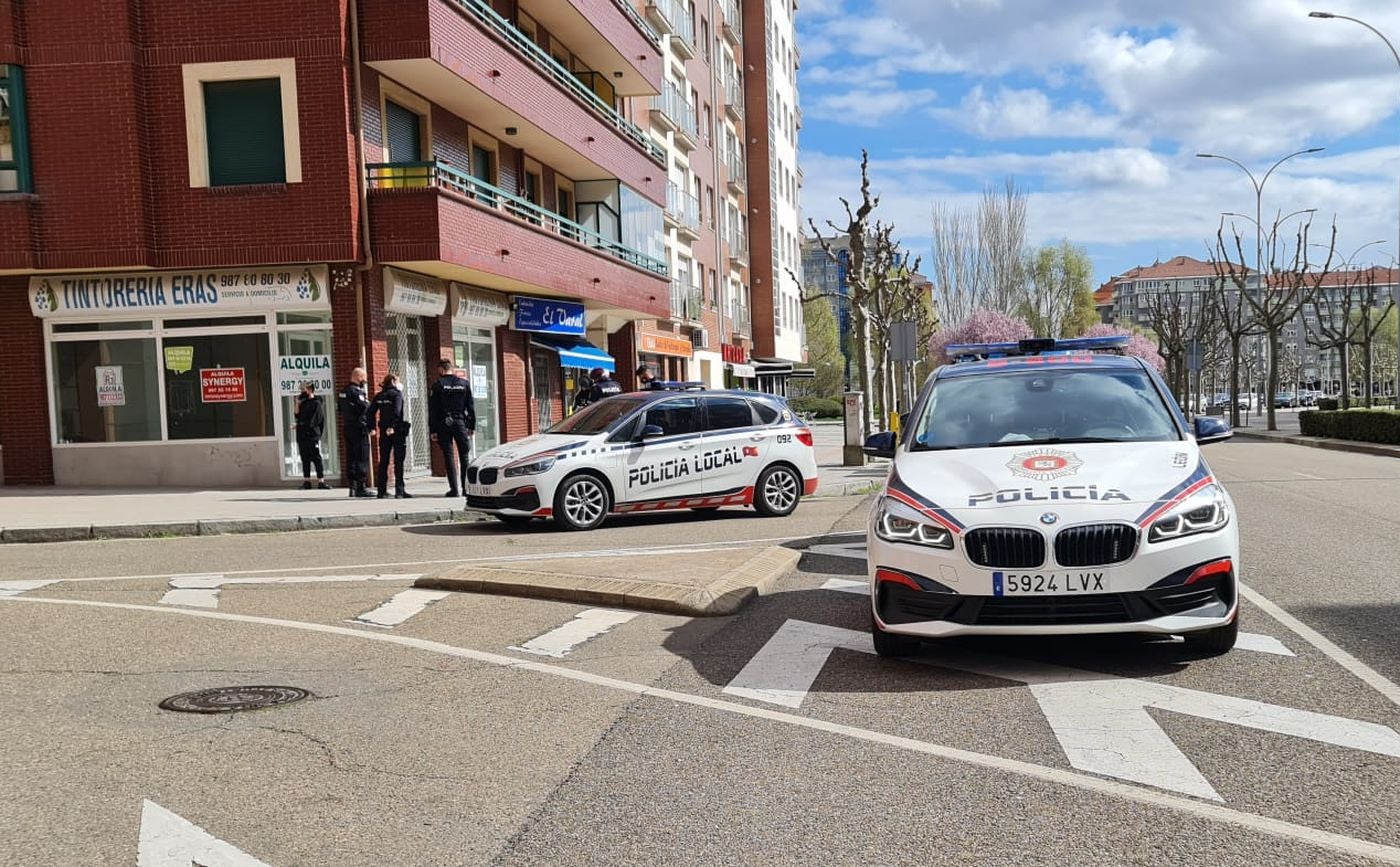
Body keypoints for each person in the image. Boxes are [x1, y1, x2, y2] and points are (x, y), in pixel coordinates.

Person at [428, 358, 475, 498]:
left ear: (441, 370)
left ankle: (454, 489)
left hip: (444, 423)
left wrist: (433, 430)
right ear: (451, 368)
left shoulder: (437, 385)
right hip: (460, 422)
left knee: (449, 456)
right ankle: (466, 489)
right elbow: (470, 407)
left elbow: (433, 410)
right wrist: (471, 426)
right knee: (464, 455)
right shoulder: (464, 384)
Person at [368, 374, 413, 499]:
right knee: (399, 461)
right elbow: (397, 411)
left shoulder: (379, 396)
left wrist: (372, 427)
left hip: (383, 431)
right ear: (393, 381)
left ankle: (381, 491)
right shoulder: (396, 395)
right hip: (396, 431)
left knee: (384, 461)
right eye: (398, 380)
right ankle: (400, 491)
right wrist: (393, 426)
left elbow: (370, 412)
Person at [339, 367, 374, 498]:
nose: (365, 380)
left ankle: (352, 487)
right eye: (364, 378)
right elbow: (364, 407)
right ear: (358, 377)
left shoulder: (343, 391)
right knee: (361, 457)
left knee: (351, 457)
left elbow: (340, 409)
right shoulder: (357, 392)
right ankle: (361, 487)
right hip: (359, 428)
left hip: (348, 427)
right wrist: (366, 401)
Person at [293, 382, 330, 490]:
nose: (301, 392)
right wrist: (297, 403)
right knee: (305, 458)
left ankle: (321, 481)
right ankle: (307, 481)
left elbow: (315, 420)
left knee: (316, 457)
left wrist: (301, 425)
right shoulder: (303, 402)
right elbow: (296, 414)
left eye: (303, 390)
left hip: (312, 434)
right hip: (302, 434)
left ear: (309, 390)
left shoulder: (316, 402)